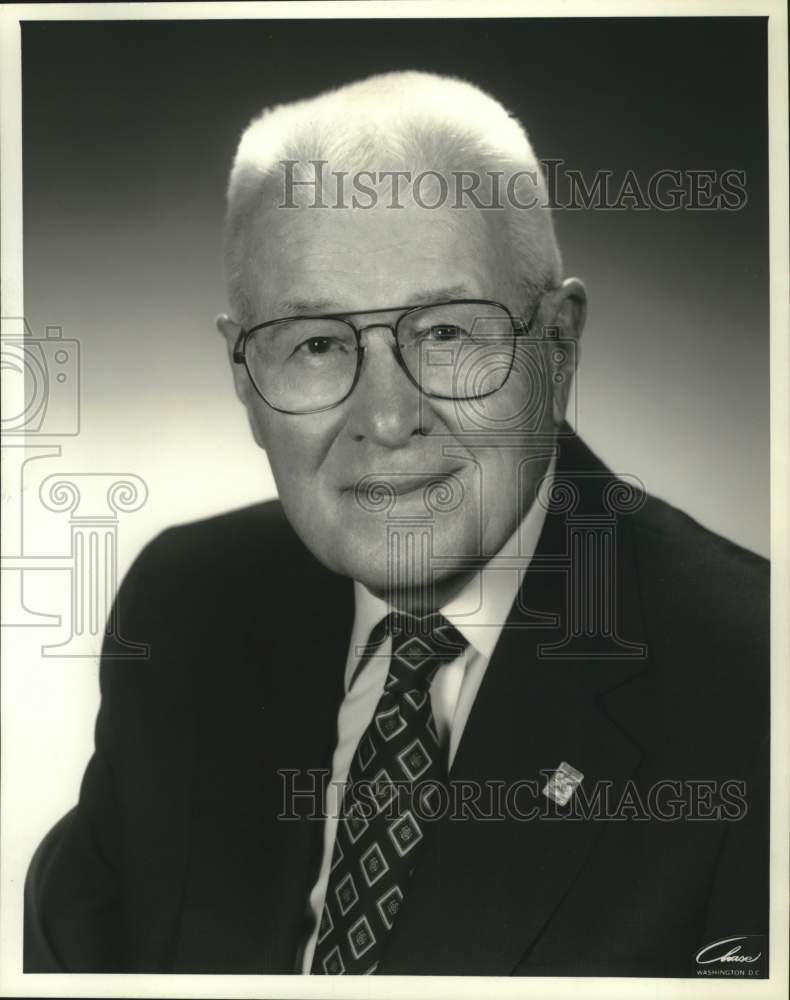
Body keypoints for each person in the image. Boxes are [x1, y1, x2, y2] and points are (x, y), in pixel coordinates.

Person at [24, 71, 769, 978]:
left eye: (450, 334)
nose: (386, 417)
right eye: (317, 344)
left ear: (560, 346)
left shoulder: (753, 686)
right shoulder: (186, 606)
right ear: (244, 381)